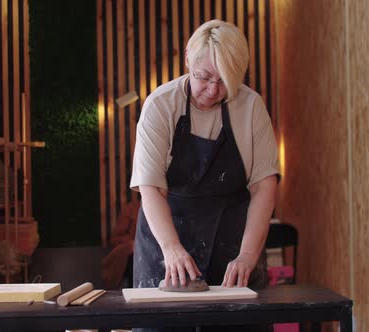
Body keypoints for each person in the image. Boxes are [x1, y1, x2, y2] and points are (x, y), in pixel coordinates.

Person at [130, 19, 279, 331]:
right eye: (204, 77)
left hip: (233, 242)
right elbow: (151, 189)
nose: (213, 91)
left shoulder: (251, 108)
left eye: (225, 82)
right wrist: (171, 249)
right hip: (167, 240)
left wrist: (247, 256)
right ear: (187, 60)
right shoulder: (160, 106)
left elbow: (264, 186)